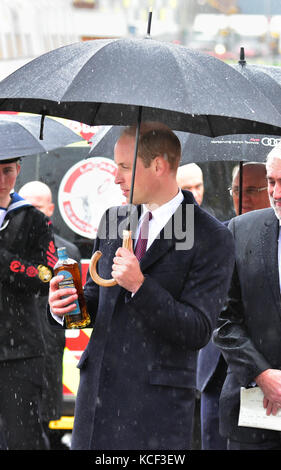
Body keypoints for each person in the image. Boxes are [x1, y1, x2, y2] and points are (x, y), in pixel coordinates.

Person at [48, 122, 235, 450]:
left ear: (159, 166)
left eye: (124, 167)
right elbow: (97, 301)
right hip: (97, 400)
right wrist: (67, 305)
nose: (115, 177)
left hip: (155, 410)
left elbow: (197, 329)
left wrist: (140, 285)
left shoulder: (210, 236)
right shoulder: (114, 219)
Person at [196, 160, 271, 450]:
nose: (243, 198)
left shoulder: (274, 239)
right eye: (237, 190)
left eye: (253, 189)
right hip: (214, 373)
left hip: (261, 371)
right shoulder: (215, 236)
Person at [213, 144, 281, 450]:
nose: (276, 193)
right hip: (255, 417)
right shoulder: (241, 231)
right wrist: (262, 373)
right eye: (272, 182)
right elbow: (222, 315)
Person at [18, 180, 81, 448]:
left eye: (37, 208)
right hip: (12, 358)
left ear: (51, 209)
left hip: (47, 359)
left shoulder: (67, 253)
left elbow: (73, 315)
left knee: (43, 432)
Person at [0, 158, 56, 450]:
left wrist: (5, 261)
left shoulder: (35, 219)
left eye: (7, 171)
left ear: (18, 170)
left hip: (20, 351)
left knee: (23, 440)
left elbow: (47, 274)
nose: (1, 181)